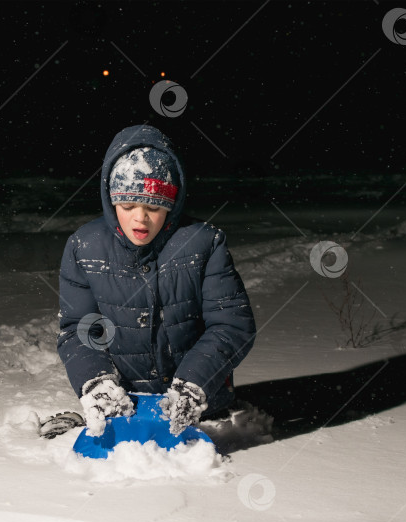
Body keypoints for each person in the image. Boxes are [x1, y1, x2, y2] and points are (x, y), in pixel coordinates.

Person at [53, 124, 256, 439]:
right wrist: (96, 382)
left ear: (171, 205)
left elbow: (232, 326)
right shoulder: (85, 247)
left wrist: (193, 384)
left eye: (153, 207)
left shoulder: (204, 243)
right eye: (127, 206)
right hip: (124, 407)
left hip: (203, 407)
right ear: (110, 201)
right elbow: (80, 329)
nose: (140, 219)